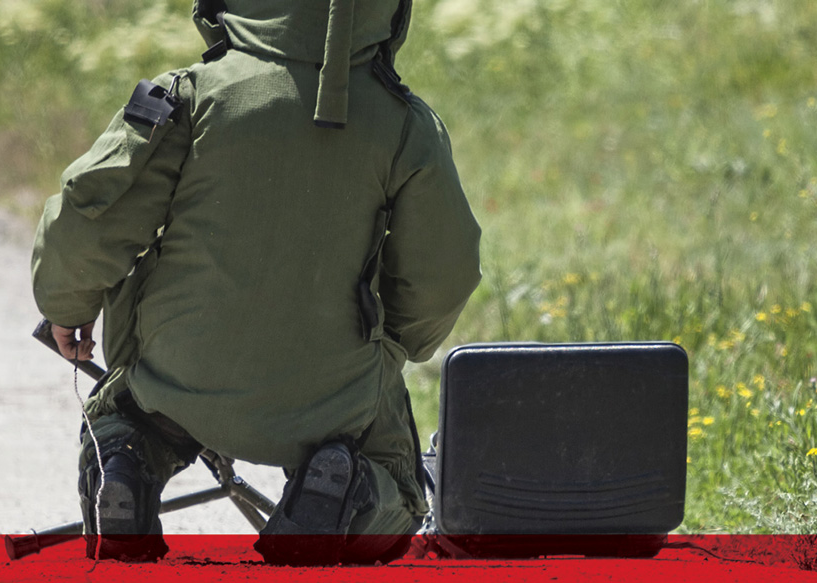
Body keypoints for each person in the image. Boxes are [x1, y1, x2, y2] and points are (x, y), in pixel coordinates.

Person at [29, 0, 482, 565]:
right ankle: (341, 493)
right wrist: (398, 346)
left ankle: (123, 462)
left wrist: (67, 306)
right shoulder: (405, 125)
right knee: (399, 487)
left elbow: (92, 214)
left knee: (126, 411)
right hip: (330, 399)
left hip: (174, 378)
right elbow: (444, 272)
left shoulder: (188, 96)